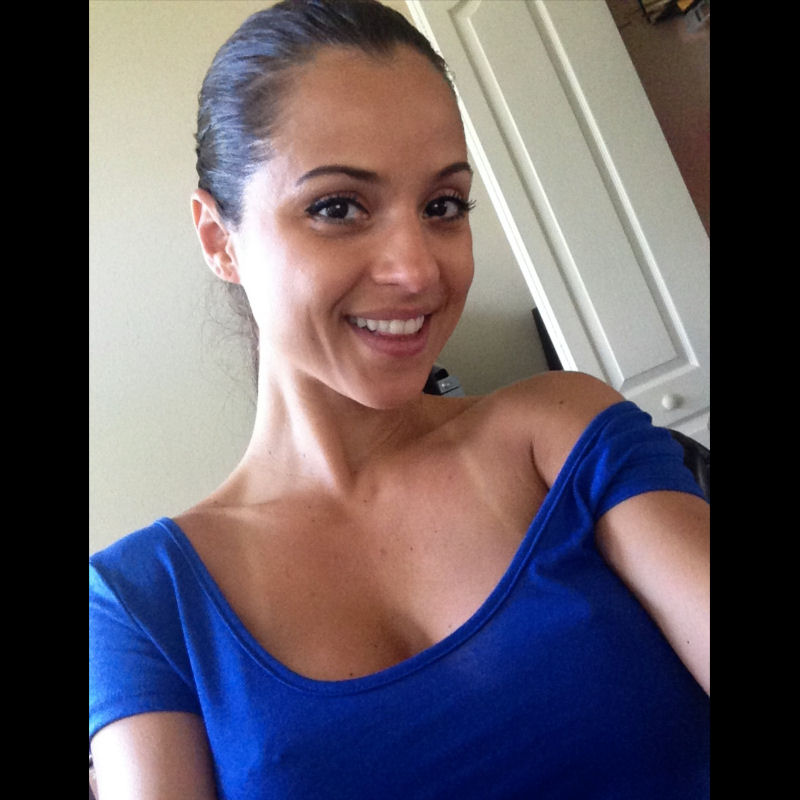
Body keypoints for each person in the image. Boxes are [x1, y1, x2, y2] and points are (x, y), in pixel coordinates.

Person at [89, 1, 710, 798]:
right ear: (220, 239)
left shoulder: (561, 435)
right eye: (337, 208)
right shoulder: (141, 605)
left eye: (442, 206)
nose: (416, 271)